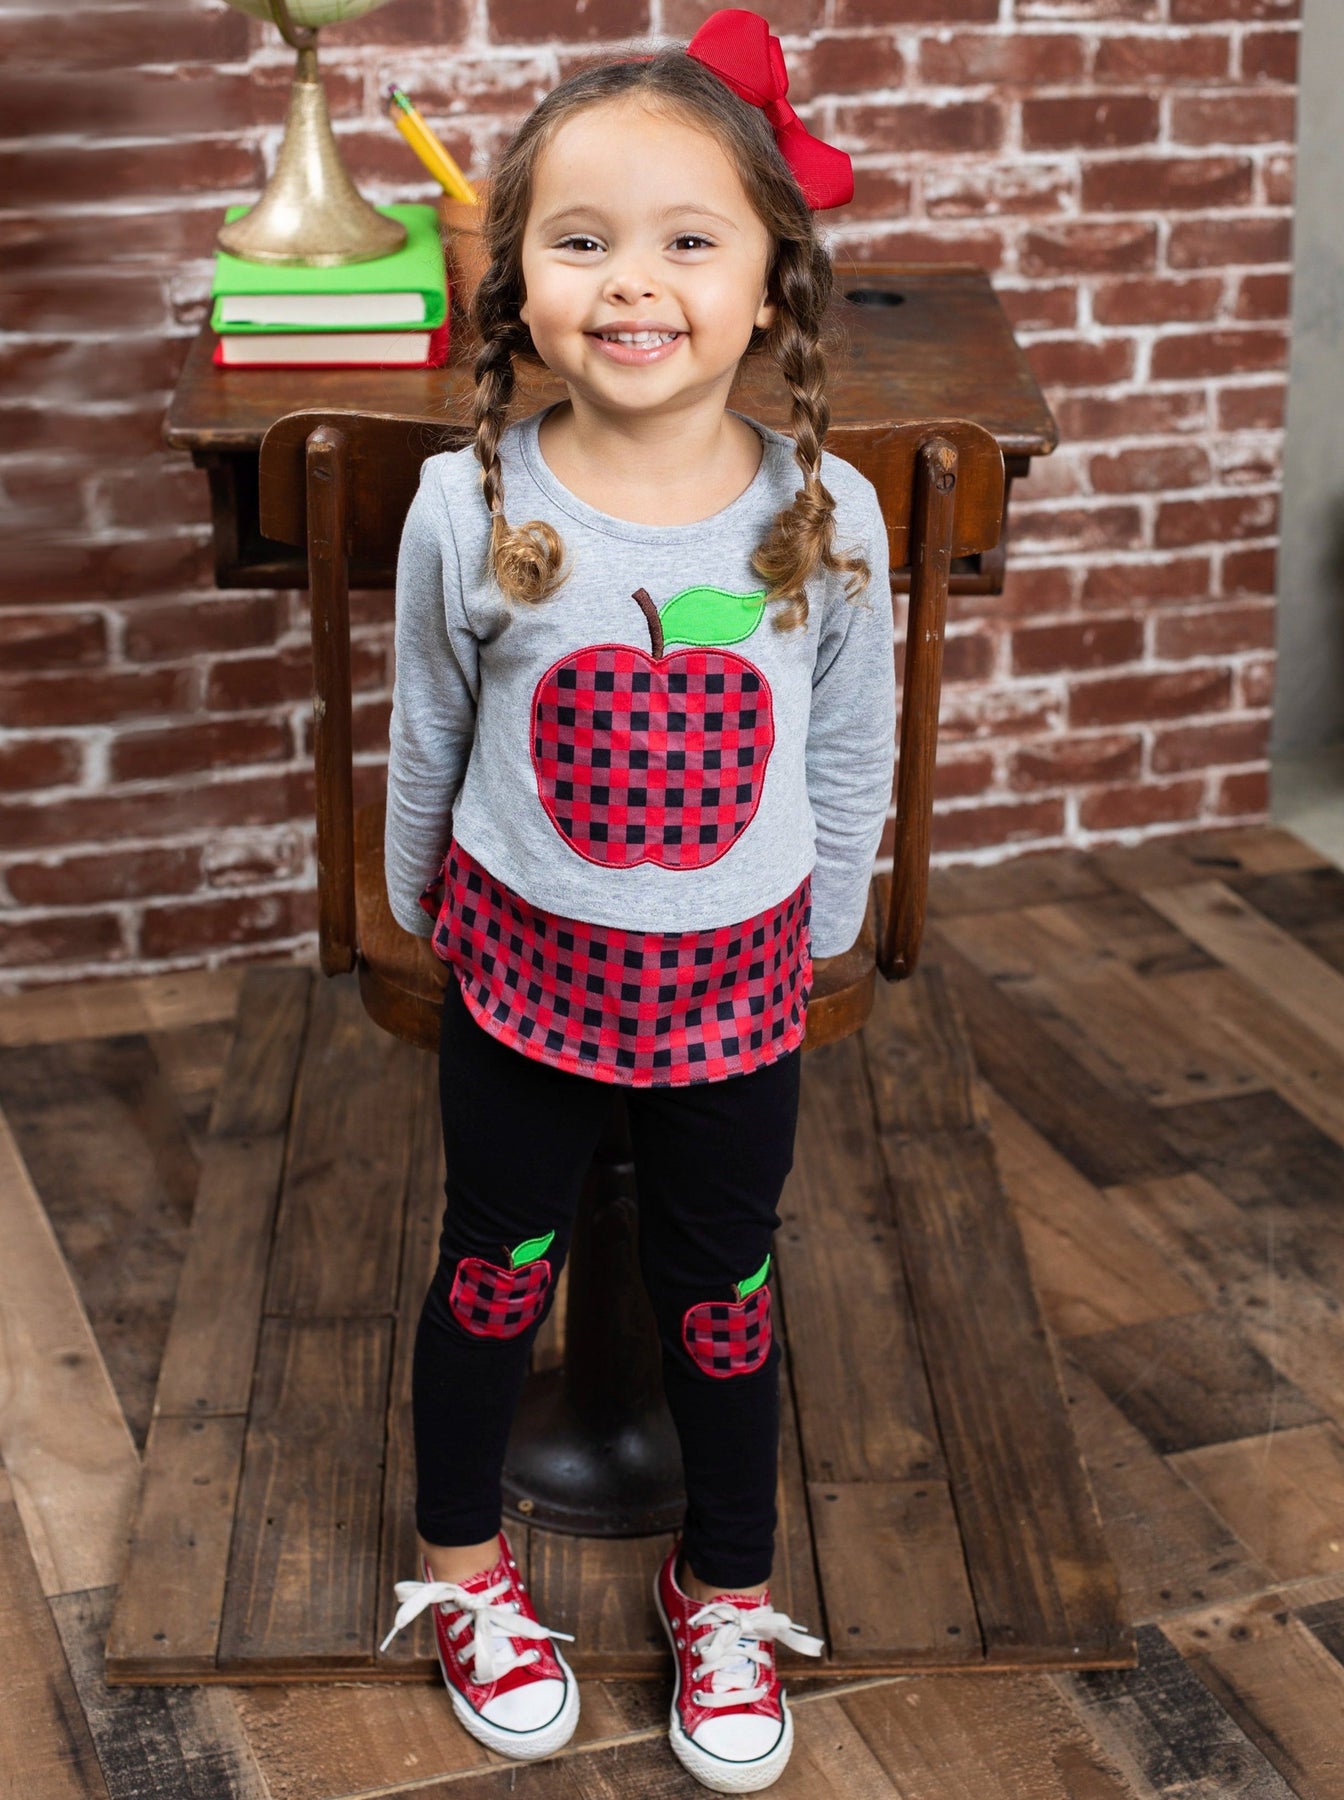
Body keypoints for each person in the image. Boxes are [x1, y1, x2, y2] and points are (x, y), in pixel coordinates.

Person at [376, 9, 896, 1791]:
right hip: (519, 980)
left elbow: (849, 746)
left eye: (689, 239)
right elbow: (431, 731)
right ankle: (463, 1567)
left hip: (738, 993)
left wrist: (823, 935)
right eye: (583, 240)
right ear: (517, 281)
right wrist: (425, 909)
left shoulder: (825, 517)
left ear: (769, 286)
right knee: (491, 1271)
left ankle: (726, 1588)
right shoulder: (463, 507)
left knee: (724, 1289)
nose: (634, 283)